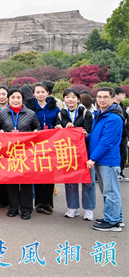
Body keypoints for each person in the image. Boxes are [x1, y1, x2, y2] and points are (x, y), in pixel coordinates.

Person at [0, 87, 39, 220]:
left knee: (26, 181)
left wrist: (36, 131)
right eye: (13, 97)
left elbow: (37, 127)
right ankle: (13, 207)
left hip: (26, 153)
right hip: (8, 153)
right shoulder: (2, 113)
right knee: (11, 180)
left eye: (18, 97)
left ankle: (26, 209)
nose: (15, 100)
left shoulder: (30, 113)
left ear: (22, 99)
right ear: (8, 99)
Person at [87, 87, 125, 231]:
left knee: (110, 192)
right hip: (101, 160)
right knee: (109, 191)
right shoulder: (101, 114)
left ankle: (113, 222)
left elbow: (106, 142)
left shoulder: (113, 117)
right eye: (99, 97)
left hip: (107, 160)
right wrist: (87, 136)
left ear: (113, 98)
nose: (101, 100)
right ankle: (116, 218)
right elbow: (98, 137)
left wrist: (93, 159)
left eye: (105, 97)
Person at [55, 88, 95, 220]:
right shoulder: (61, 114)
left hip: (85, 152)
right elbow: (57, 131)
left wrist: (83, 133)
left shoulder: (86, 114)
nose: (70, 100)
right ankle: (72, 208)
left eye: (73, 97)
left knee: (87, 181)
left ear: (78, 99)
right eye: (67, 97)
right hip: (68, 153)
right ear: (64, 99)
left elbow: (89, 132)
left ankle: (88, 209)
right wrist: (59, 128)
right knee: (70, 181)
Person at [26, 83, 61, 216]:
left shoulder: (55, 108)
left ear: (47, 93)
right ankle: (39, 203)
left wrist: (57, 127)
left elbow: (59, 122)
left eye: (43, 92)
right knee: (37, 172)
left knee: (49, 174)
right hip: (35, 144)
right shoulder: (29, 107)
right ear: (33, 94)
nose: (40, 94)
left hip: (51, 144)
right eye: (38, 92)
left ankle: (48, 203)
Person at [113, 87, 128, 181]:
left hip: (124, 134)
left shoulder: (123, 107)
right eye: (122, 94)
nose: (124, 96)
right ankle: (117, 173)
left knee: (123, 154)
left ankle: (121, 172)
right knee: (117, 153)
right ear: (116, 95)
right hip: (117, 135)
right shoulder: (113, 107)